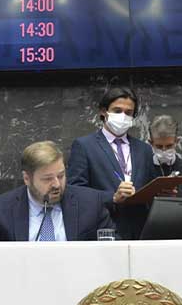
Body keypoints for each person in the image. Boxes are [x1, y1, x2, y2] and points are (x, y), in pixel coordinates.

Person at [67, 87, 159, 240]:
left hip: (141, 234)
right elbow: (76, 194)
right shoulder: (84, 146)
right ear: (103, 112)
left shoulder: (144, 150)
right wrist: (113, 198)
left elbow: (149, 188)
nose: (123, 116)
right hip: (103, 232)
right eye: (117, 111)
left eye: (128, 113)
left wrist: (162, 192)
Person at [0, 141, 114, 241]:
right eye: (47, 179)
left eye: (61, 176)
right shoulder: (1, 209)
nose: (56, 184)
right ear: (27, 178)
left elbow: (114, 252)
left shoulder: (91, 203)